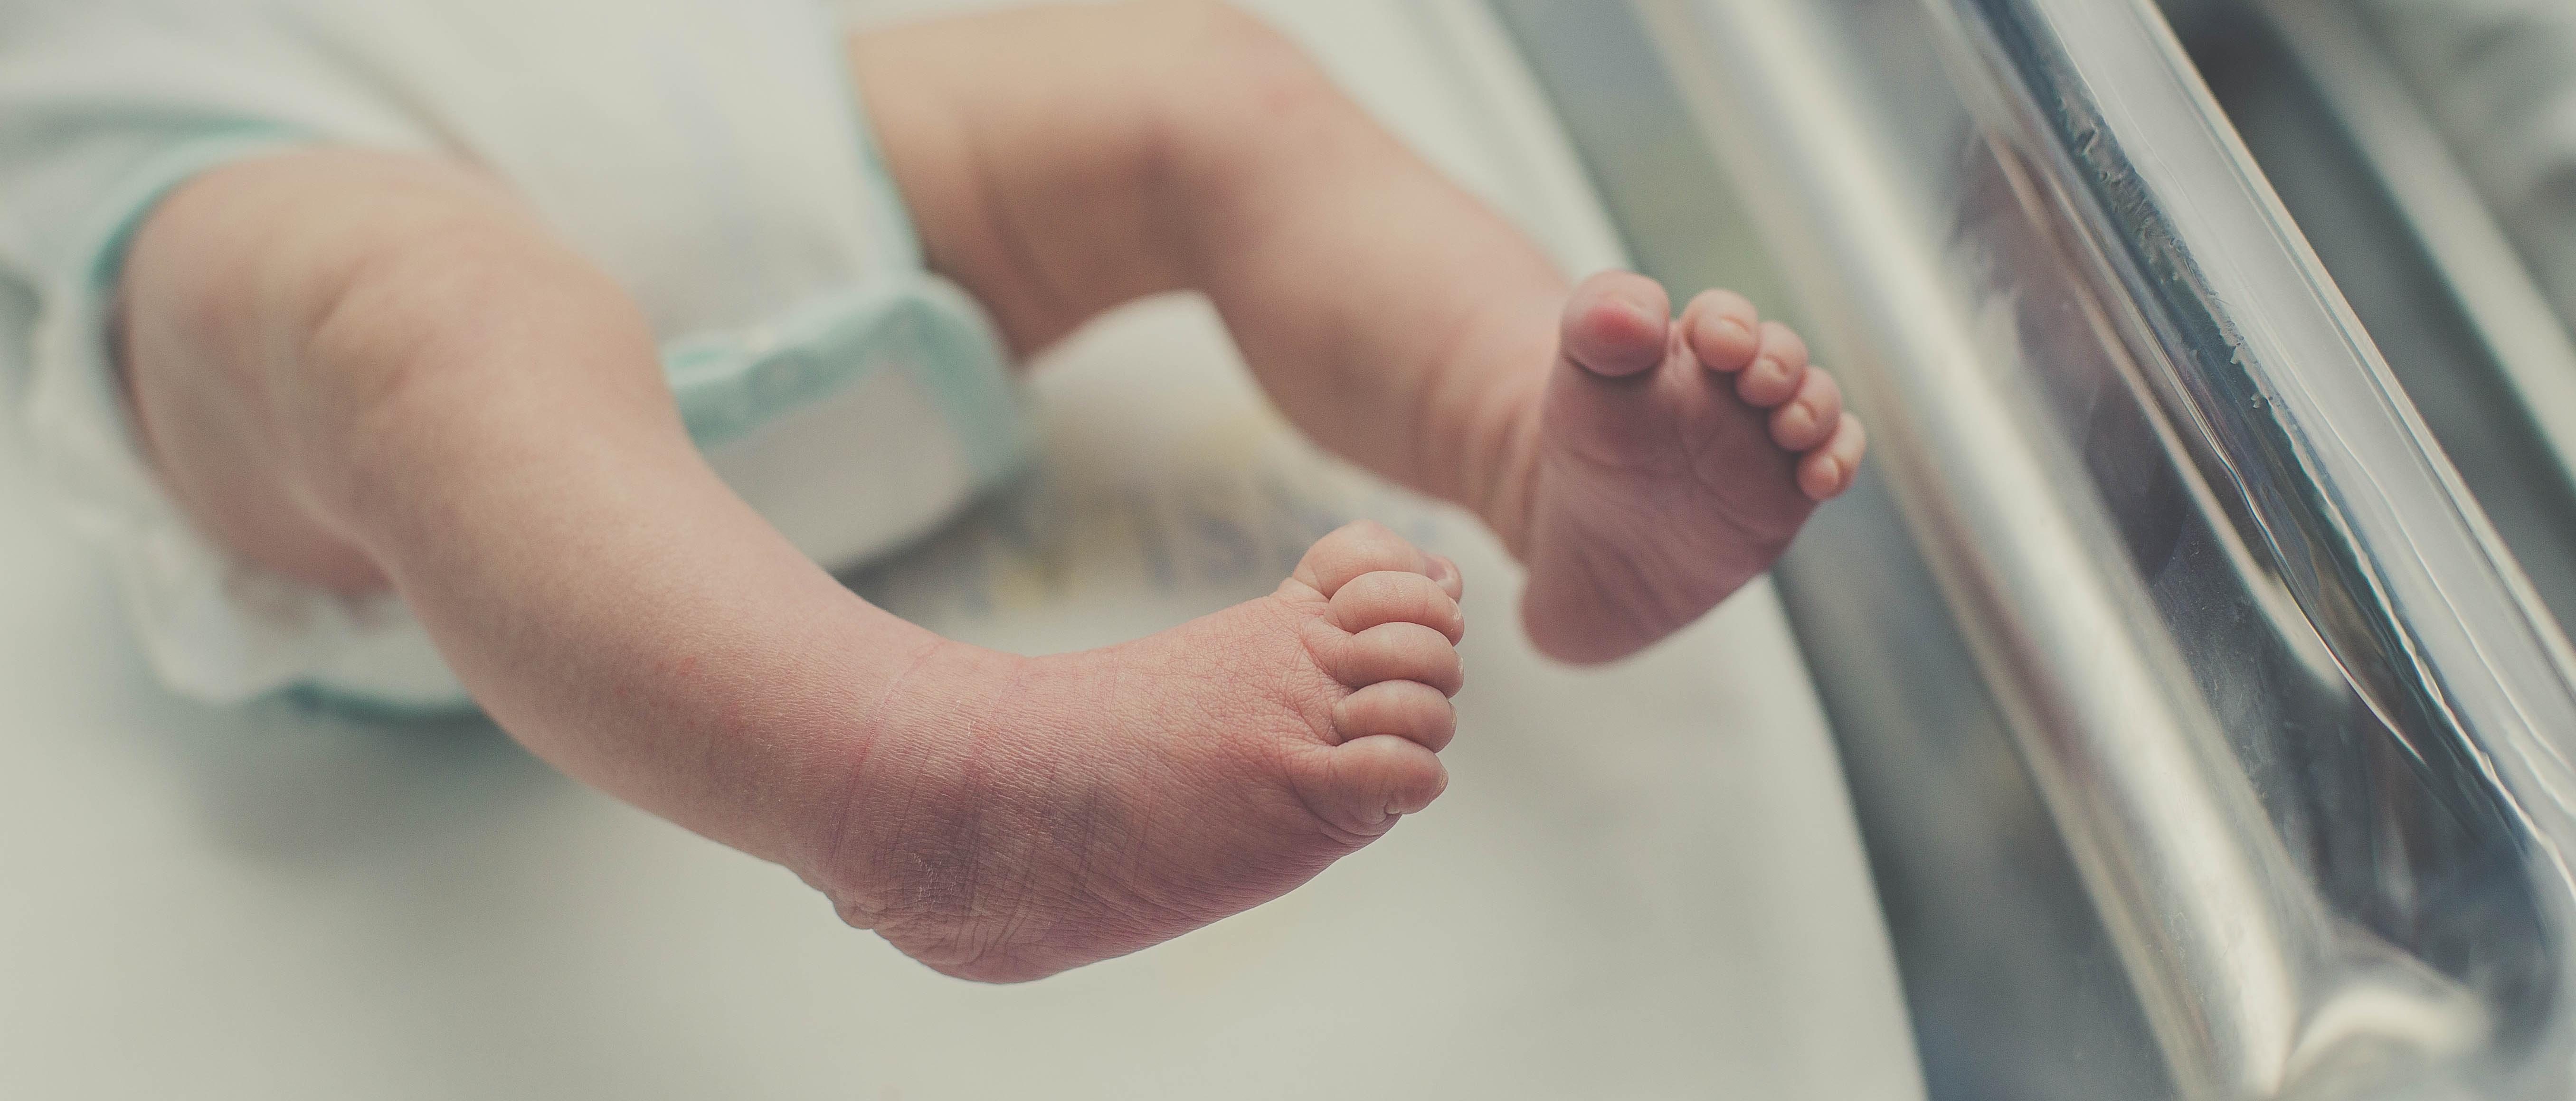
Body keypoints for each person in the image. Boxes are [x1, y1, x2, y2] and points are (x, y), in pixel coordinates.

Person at [0, 0, 1861, 982]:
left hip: (785, 155)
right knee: (411, 327)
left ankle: (1523, 448)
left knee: (1203, 84)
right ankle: (919, 786)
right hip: (275, 255)